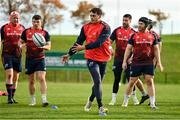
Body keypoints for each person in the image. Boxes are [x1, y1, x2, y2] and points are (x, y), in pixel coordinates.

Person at [62, 8, 112, 116]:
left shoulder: (106, 27)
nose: (91, 17)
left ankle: (90, 100)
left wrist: (83, 47)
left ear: (99, 16)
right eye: (91, 15)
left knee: (97, 84)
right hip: (91, 58)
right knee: (97, 81)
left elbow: (99, 43)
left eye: (94, 15)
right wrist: (69, 54)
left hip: (103, 58)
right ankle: (101, 107)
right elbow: (78, 42)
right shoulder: (85, 27)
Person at [122, 17, 163, 109]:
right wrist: (124, 61)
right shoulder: (133, 35)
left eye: (141, 24)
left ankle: (152, 104)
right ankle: (125, 102)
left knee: (149, 81)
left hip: (148, 62)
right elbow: (128, 49)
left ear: (146, 25)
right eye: (139, 23)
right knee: (132, 81)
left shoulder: (153, 36)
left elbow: (156, 50)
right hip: (136, 62)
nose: (139, 25)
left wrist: (159, 62)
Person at [109, 14, 148, 106]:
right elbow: (108, 42)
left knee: (131, 80)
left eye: (126, 20)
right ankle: (113, 100)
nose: (124, 22)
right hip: (118, 59)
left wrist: (132, 57)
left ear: (130, 21)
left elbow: (137, 48)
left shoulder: (134, 33)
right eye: (123, 20)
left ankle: (134, 99)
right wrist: (111, 49)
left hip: (130, 60)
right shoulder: (117, 30)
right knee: (116, 79)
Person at [21, 15, 51, 107]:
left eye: (37, 21)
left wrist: (43, 47)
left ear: (41, 22)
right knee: (31, 81)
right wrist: (22, 45)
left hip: (40, 58)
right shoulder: (26, 32)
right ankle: (33, 100)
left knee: (42, 78)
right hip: (29, 59)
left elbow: (49, 47)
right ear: (32, 22)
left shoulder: (45, 33)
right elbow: (21, 42)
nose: (36, 23)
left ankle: (44, 100)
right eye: (34, 21)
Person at [1, 11, 25, 104]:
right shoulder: (4, 28)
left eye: (17, 18)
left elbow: (24, 42)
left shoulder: (23, 28)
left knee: (15, 78)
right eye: (14, 18)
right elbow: (1, 40)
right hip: (7, 54)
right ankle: (9, 98)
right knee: (10, 75)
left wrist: (22, 45)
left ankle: (12, 97)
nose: (16, 19)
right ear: (10, 18)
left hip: (18, 55)